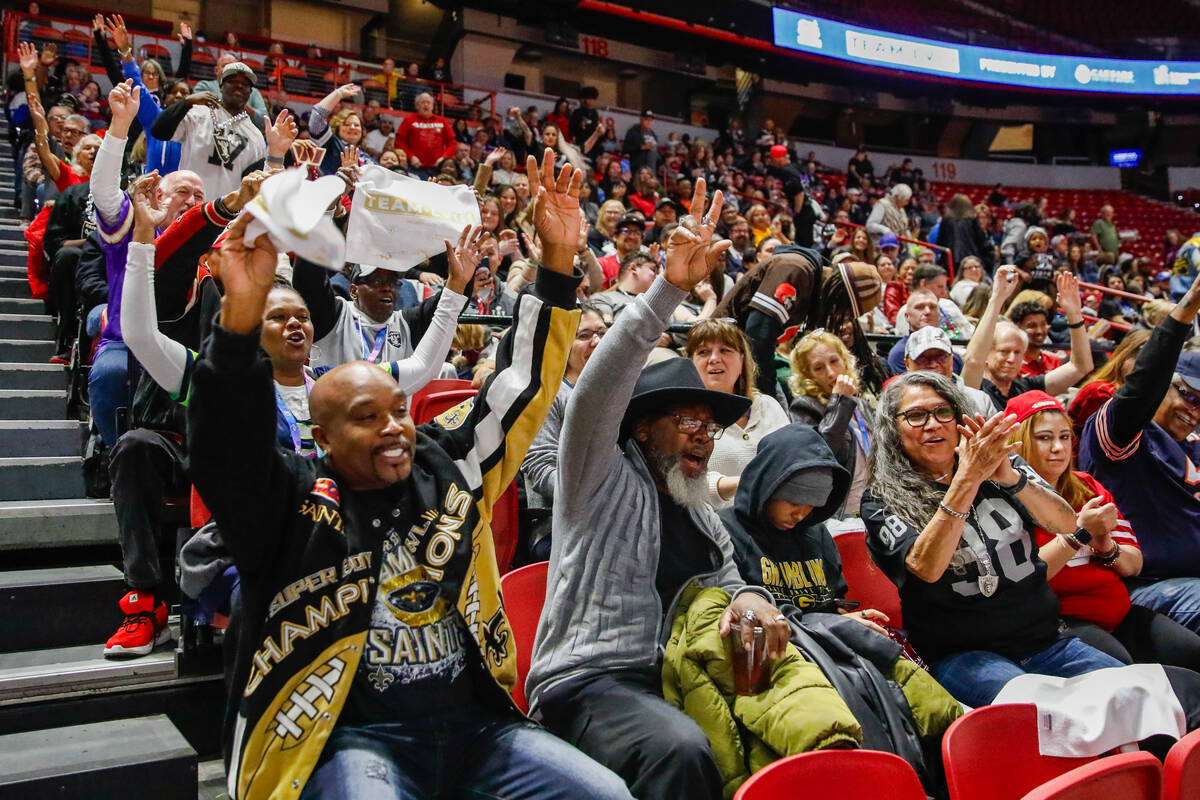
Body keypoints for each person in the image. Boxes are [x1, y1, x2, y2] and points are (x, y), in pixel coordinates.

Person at [187, 152, 634, 800]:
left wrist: (558, 268)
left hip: (477, 729)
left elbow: (518, 389)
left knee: (607, 796)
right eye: (367, 418)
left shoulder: (447, 465)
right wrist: (238, 319)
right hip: (348, 740)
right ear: (323, 440)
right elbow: (225, 448)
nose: (395, 426)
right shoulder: (290, 504)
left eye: (398, 410)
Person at [527, 180, 788, 800]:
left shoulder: (702, 513)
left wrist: (749, 599)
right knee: (682, 751)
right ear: (643, 427)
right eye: (688, 422)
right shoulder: (598, 474)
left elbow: (727, 582)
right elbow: (594, 391)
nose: (705, 436)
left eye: (712, 425)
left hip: (683, 673)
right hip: (591, 681)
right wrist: (668, 290)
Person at [862, 372, 1125, 708]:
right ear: (893, 431)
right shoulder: (882, 499)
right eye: (916, 416)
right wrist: (967, 479)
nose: (933, 424)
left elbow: (1064, 522)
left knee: (1133, 696)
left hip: (1046, 641)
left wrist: (1011, 478)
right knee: (1041, 713)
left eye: (943, 412)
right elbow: (925, 567)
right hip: (963, 656)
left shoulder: (1003, 465)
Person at [1008, 391, 1200, 672]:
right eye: (1045, 438)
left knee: (1192, 652)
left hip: (1119, 612)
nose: (1058, 448)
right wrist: (1079, 535)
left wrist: (1107, 547)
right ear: (1019, 443)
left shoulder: (1087, 487)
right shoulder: (1004, 498)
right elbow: (1025, 578)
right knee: (1120, 666)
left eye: (1064, 437)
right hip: (1059, 620)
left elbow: (1134, 563)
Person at [1078, 281, 1200, 634]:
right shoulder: (1123, 434)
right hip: (1142, 586)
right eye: (1189, 397)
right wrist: (1188, 307)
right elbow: (1139, 392)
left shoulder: (1191, 443)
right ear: (1165, 384)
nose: (1193, 411)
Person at [725, 424, 890, 634]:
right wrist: (829, 624)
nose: (801, 514)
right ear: (767, 487)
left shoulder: (817, 533)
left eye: (813, 505)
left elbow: (833, 602)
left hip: (825, 643)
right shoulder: (728, 532)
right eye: (793, 502)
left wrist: (847, 619)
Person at [714, 246, 882, 397]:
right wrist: (766, 395)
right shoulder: (796, 270)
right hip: (720, 353)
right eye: (843, 310)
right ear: (840, 294)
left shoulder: (810, 285)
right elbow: (759, 335)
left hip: (739, 361)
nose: (837, 315)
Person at [522, 304, 608, 562]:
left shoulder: (617, 390)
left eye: (603, 332)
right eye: (584, 336)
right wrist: (596, 495)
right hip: (557, 526)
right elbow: (540, 468)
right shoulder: (547, 394)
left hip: (608, 517)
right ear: (562, 345)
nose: (597, 341)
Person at [686, 319, 789, 509]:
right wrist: (740, 483)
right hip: (717, 527)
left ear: (742, 361)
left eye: (725, 350)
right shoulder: (684, 419)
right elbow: (683, 485)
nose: (714, 358)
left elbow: (793, 460)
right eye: (703, 352)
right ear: (690, 363)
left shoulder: (767, 406)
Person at [152, 62, 290, 199]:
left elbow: (253, 188)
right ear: (221, 86)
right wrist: (186, 102)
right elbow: (159, 131)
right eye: (232, 81)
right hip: (187, 207)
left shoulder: (255, 136)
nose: (239, 86)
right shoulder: (197, 114)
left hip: (224, 216)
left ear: (250, 92)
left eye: (245, 84)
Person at [962, 267, 1093, 409]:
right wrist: (996, 299)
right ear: (986, 354)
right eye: (1004, 351)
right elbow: (973, 361)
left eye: (1017, 352)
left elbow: (1080, 367)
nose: (1011, 359)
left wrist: (1074, 315)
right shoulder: (974, 388)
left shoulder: (1026, 387)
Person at [788, 330, 873, 519]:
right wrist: (840, 402)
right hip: (839, 512)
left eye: (834, 361)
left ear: (845, 360)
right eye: (819, 368)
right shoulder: (804, 407)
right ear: (807, 375)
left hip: (874, 505)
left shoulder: (861, 404)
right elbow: (822, 453)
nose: (831, 373)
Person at [1067, 329, 1149, 443]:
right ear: (1126, 357)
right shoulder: (1100, 393)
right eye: (1143, 362)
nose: (1148, 372)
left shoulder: (1149, 398)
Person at [901, 326, 997, 418]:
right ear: (907, 364)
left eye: (941, 357)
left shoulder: (980, 401)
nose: (933, 364)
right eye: (923, 359)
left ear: (952, 359)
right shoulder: (895, 401)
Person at [892, 264, 975, 339]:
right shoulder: (907, 311)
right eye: (940, 287)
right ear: (923, 283)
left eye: (945, 288)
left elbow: (970, 331)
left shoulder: (948, 304)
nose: (944, 293)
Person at [393, 92, 455, 175]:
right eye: (423, 102)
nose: (426, 105)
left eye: (428, 102)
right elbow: (399, 142)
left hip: (437, 169)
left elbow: (452, 143)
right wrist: (410, 156)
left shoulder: (442, 121)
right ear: (417, 106)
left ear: (432, 106)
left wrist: (444, 158)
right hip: (415, 168)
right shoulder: (408, 120)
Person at [590, 250, 658, 323]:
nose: (657, 276)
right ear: (633, 268)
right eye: (653, 270)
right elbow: (606, 330)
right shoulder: (602, 299)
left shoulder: (655, 303)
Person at [936, 194, 993, 273]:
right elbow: (981, 241)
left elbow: (940, 242)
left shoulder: (946, 221)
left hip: (949, 262)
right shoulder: (972, 220)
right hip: (971, 259)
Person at [1007, 301, 1063, 377]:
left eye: (1043, 324)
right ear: (1017, 327)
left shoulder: (1054, 361)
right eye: (1032, 326)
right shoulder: (1011, 364)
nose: (1039, 331)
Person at [623, 109, 660, 175]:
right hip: (638, 169)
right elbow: (625, 148)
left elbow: (655, 151)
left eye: (650, 120)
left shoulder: (653, 133)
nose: (649, 122)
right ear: (641, 119)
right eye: (646, 119)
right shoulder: (633, 132)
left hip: (651, 170)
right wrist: (641, 147)